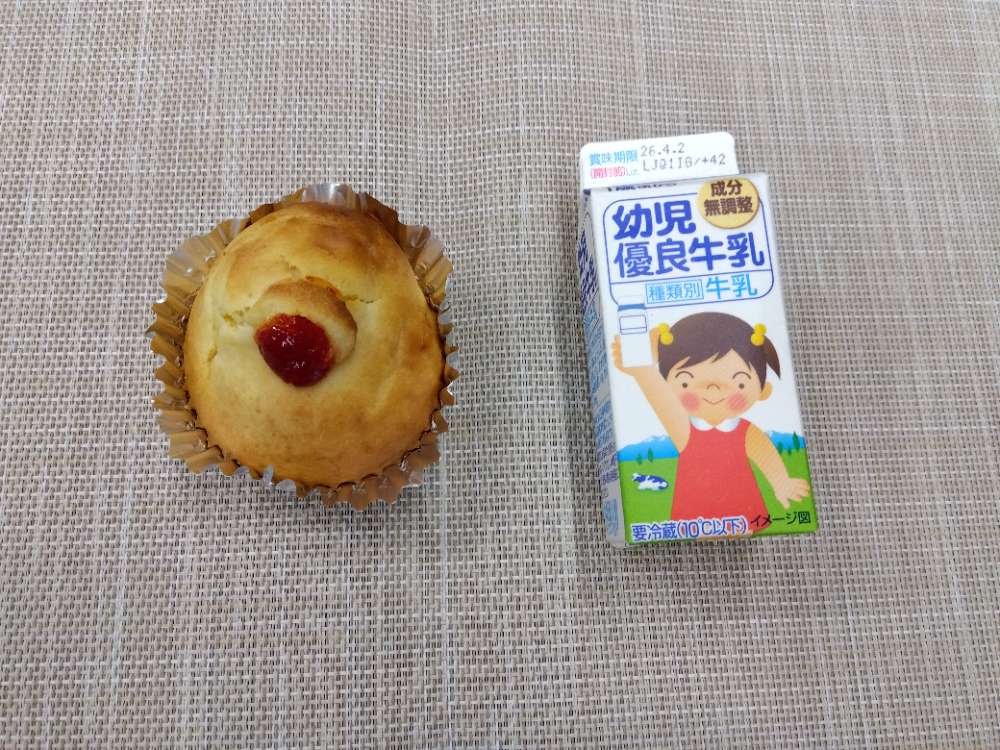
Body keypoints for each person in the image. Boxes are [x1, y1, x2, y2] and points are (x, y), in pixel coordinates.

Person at [612, 312, 810, 529]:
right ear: (668, 386)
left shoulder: (745, 431)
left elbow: (765, 455)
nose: (713, 390)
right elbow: (663, 402)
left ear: (764, 391)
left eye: (740, 384)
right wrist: (643, 371)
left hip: (743, 513)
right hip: (693, 518)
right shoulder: (685, 429)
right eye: (686, 383)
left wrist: (781, 482)